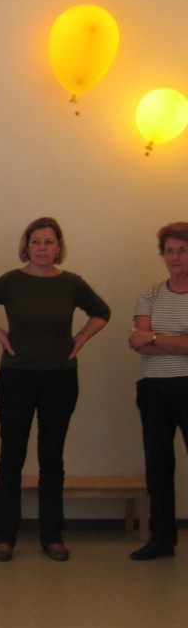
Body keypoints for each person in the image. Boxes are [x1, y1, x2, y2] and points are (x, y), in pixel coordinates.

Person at [0, 216, 110, 562]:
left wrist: (82, 337)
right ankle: (4, 536)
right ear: (27, 245)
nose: (42, 248)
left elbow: (102, 312)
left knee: (52, 458)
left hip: (60, 379)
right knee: (11, 456)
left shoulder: (72, 283)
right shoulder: (12, 282)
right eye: (36, 241)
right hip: (16, 378)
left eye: (49, 242)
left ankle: (52, 535)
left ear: (59, 247)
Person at [126, 222, 188, 560]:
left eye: (183, 250)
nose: (175, 257)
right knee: (158, 465)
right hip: (153, 387)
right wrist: (175, 342)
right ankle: (161, 540)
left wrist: (154, 338)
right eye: (169, 251)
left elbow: (146, 338)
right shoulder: (150, 294)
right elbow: (138, 342)